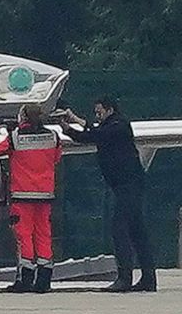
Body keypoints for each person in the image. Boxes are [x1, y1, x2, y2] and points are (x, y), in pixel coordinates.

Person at [60, 97, 156, 292]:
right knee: (137, 231)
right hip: (125, 185)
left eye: (99, 111)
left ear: (110, 110)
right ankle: (148, 278)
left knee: (119, 229)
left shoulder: (118, 125)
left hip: (129, 185)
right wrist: (67, 129)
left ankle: (124, 278)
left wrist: (76, 121)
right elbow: (88, 136)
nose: (98, 115)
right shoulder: (110, 127)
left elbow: (96, 134)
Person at [0, 104, 61, 292]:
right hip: (45, 195)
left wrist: (12, 132)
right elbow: (56, 158)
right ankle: (44, 279)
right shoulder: (53, 136)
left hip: (22, 195)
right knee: (44, 235)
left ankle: (25, 278)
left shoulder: (16, 137)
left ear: (22, 117)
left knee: (24, 236)